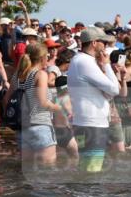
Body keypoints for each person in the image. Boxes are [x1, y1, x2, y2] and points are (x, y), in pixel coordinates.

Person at [68, 27, 120, 172]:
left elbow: (108, 93)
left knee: (86, 167)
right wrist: (107, 65)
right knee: (92, 170)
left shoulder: (79, 60)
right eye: (103, 42)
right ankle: (88, 195)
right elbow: (115, 90)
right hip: (92, 123)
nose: (106, 46)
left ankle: (81, 194)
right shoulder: (86, 62)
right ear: (94, 43)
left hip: (85, 122)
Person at [18, 42, 63, 168]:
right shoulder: (41, 74)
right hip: (41, 126)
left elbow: (7, 99)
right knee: (47, 171)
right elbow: (43, 102)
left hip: (25, 127)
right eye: (47, 56)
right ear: (43, 57)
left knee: (28, 170)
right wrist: (62, 109)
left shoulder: (21, 75)